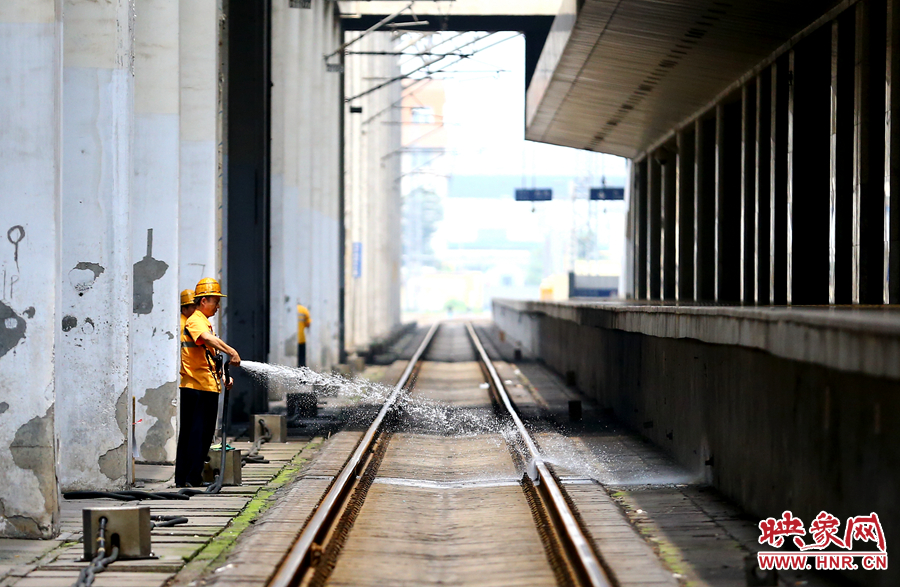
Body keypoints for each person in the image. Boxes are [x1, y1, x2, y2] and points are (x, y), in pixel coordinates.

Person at [175, 277, 241, 488]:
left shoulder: (206, 322)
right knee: (192, 435)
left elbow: (209, 354)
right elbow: (208, 340)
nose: (217, 306)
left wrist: (223, 375)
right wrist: (231, 350)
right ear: (203, 301)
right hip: (194, 387)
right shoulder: (196, 320)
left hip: (207, 386)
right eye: (214, 301)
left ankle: (194, 477)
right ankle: (184, 478)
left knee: (203, 435)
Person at [297, 303, 311, 367]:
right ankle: (302, 374)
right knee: (301, 359)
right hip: (301, 338)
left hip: (291, 340)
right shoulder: (304, 310)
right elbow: (308, 324)